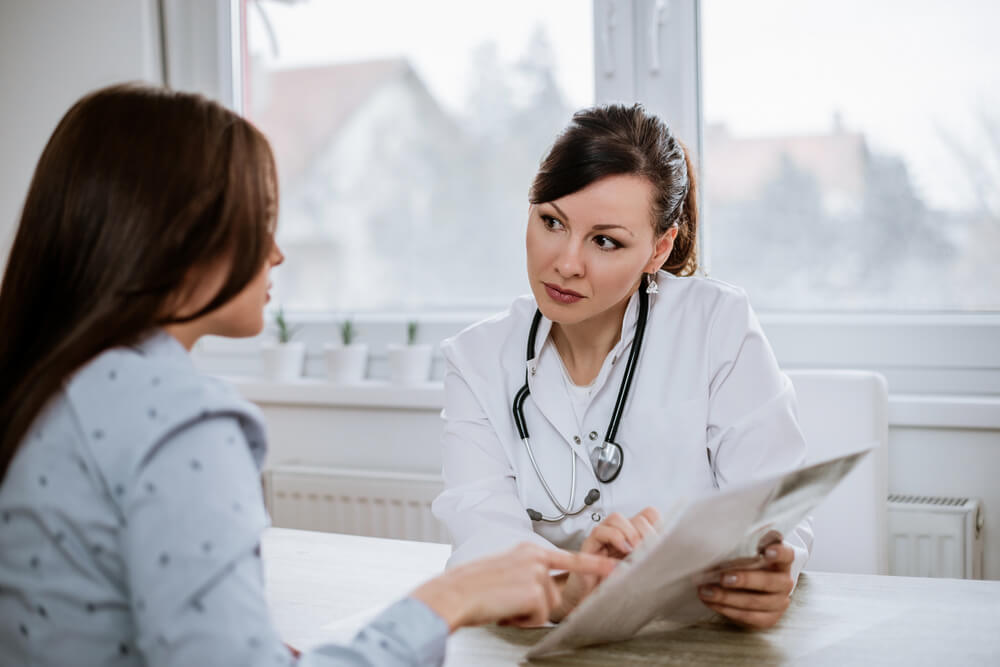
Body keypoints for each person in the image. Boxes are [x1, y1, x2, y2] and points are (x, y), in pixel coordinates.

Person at [0, 84, 616, 667]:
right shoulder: (179, 419)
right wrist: (446, 601)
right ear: (176, 236)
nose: (276, 253)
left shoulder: (46, 386)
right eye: (261, 220)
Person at [431, 103, 813, 629]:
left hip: (698, 642)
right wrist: (568, 591)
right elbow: (482, 537)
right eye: (551, 222)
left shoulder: (714, 325)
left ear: (659, 249)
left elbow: (774, 500)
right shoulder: (476, 361)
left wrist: (771, 573)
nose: (566, 262)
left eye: (605, 240)